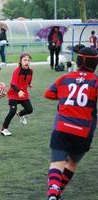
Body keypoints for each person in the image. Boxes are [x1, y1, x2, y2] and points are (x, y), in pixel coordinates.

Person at [44, 47, 98, 200]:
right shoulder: (95, 80)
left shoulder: (65, 78)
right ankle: (58, 191)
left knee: (57, 162)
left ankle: (53, 194)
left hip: (62, 128)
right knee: (72, 163)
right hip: (83, 131)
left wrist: (66, 99)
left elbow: (48, 94)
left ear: (78, 61)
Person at [0, 53, 33, 136]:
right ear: (20, 61)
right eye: (25, 60)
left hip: (23, 94)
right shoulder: (17, 71)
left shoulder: (31, 71)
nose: (27, 62)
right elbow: (13, 84)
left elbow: (29, 79)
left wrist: (29, 84)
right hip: (13, 94)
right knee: (12, 111)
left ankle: (20, 114)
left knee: (29, 110)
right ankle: (4, 129)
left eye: (28, 60)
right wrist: (18, 91)